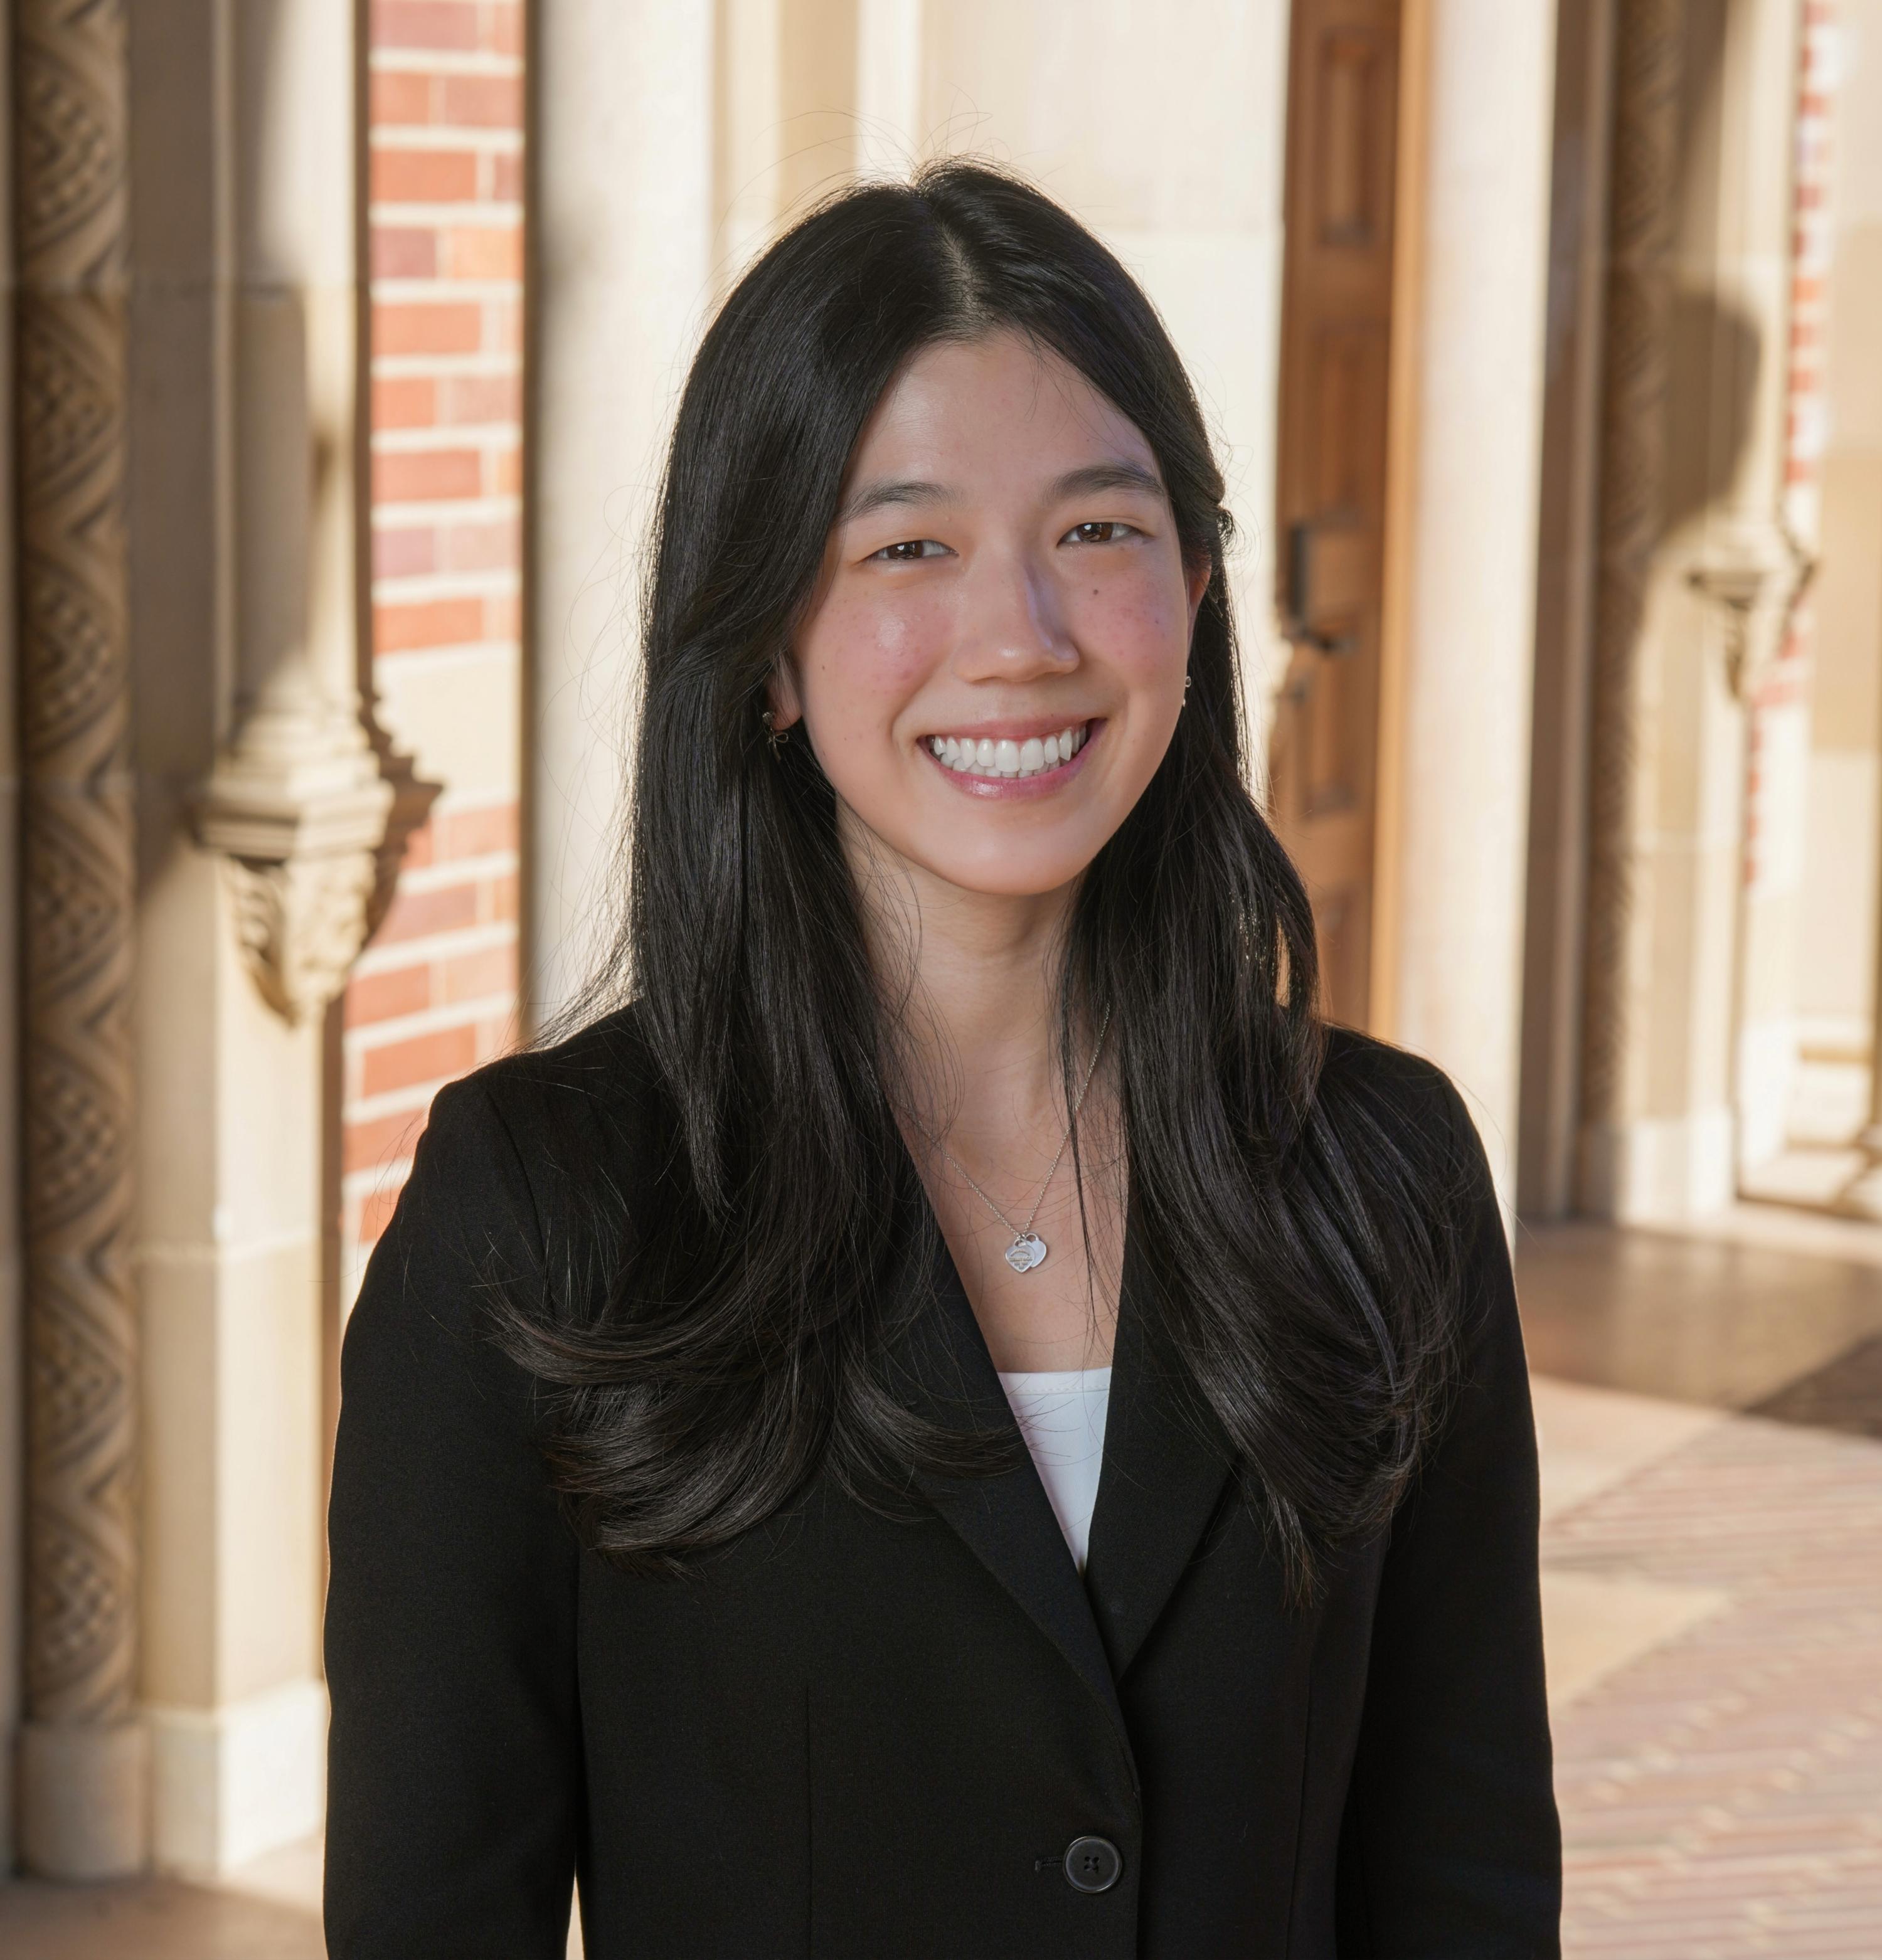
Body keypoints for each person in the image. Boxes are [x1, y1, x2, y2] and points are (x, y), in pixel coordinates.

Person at [323, 162, 1561, 1959]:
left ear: (1196, 592)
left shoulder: (1385, 1175)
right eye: (908, 546)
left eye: (1098, 532)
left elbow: (1465, 1896)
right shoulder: (543, 1209)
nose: (1021, 639)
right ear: (765, 653)